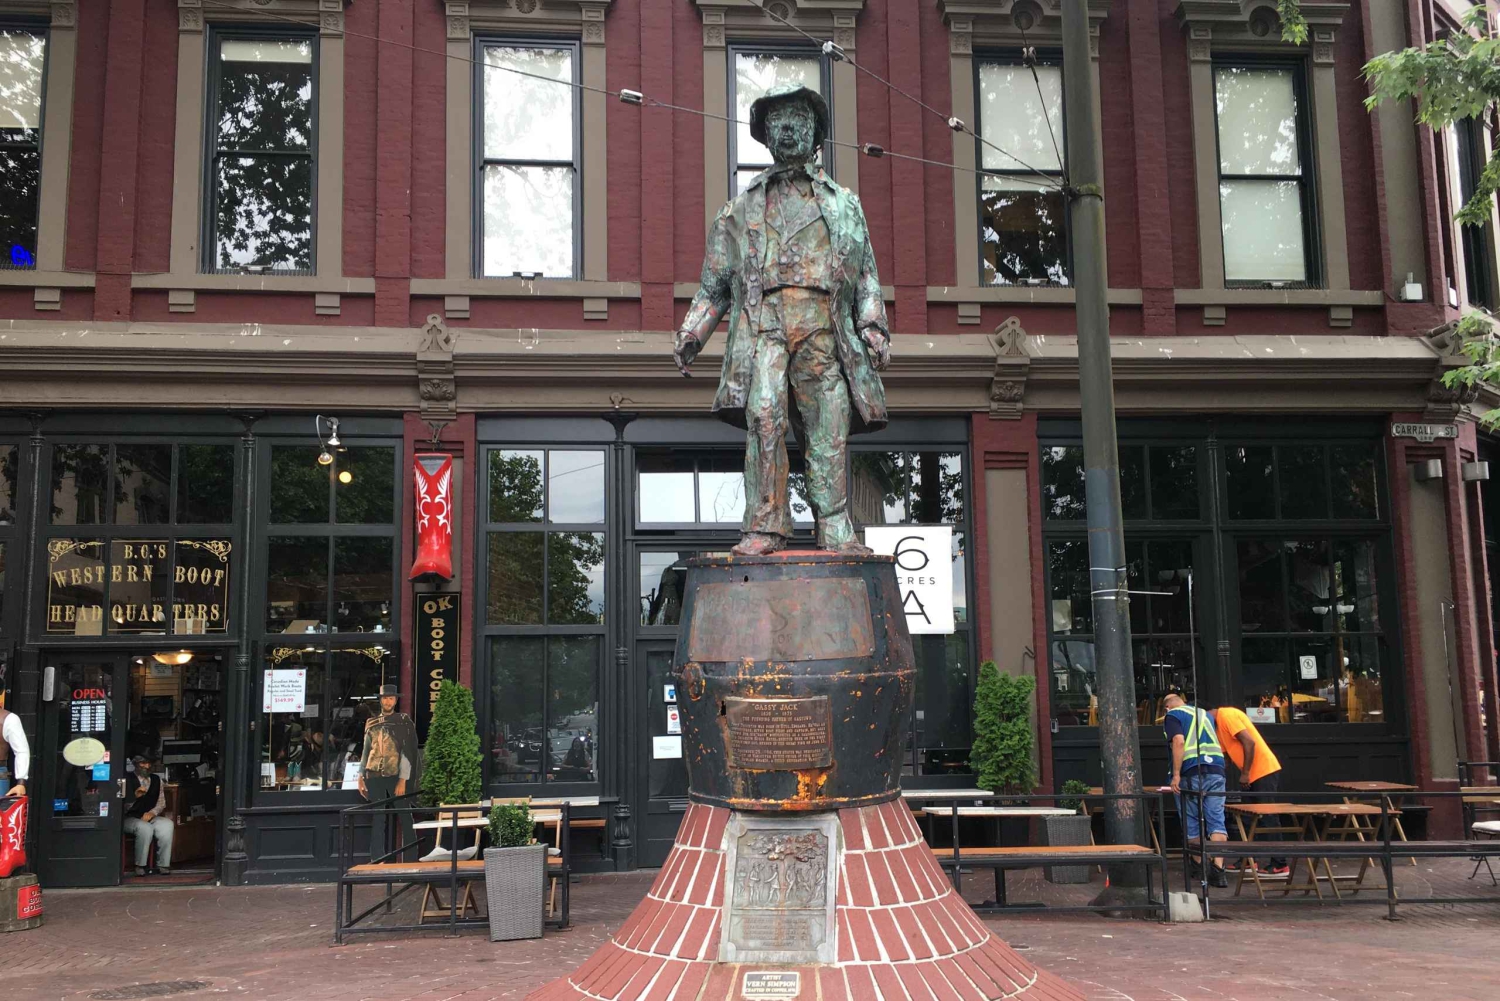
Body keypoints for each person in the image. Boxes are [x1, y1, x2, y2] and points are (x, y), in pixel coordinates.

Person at [674, 83, 891, 557]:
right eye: (778, 121)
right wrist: (693, 332)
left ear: (816, 131)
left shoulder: (845, 206)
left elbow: (866, 278)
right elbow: (714, 285)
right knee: (765, 417)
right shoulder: (738, 211)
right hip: (764, 329)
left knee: (828, 425)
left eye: (797, 119)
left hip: (824, 329)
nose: (788, 129)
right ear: (766, 134)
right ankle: (765, 525)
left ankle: (834, 526)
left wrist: (873, 327)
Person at [1162, 693, 1229, 887]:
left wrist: (1176, 774)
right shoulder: (1204, 714)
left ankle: (1199, 867)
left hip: (1191, 772)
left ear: (1167, 708)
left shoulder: (1173, 715)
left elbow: (1179, 741)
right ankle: (1219, 870)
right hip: (1216, 770)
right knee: (1216, 820)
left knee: (1191, 820)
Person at [1215, 705, 1289, 875]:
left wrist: (1245, 773)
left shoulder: (1226, 715)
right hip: (1249, 774)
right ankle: (1248, 860)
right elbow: (1226, 758)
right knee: (1247, 817)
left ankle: (1280, 863)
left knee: (1268, 815)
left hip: (1262, 771)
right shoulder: (1218, 728)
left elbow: (1249, 742)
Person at [358, 684, 421, 863]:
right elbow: (366, 751)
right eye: (385, 698)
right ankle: (377, 858)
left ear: (395, 700)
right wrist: (360, 776)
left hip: (395, 775)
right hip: (374, 774)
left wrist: (403, 779)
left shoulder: (403, 721)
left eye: (391, 698)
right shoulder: (371, 723)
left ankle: (411, 858)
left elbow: (407, 752)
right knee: (378, 818)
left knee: (405, 815)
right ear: (380, 700)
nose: (387, 701)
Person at [124, 754, 172, 876]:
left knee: (167, 824)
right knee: (144, 828)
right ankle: (140, 865)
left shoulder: (156, 779)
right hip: (129, 817)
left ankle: (163, 864)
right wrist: (134, 797)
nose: (147, 766)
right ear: (136, 764)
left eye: (149, 763)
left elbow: (161, 803)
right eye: (143, 763)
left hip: (149, 815)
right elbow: (120, 807)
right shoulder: (126, 779)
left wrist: (152, 812)